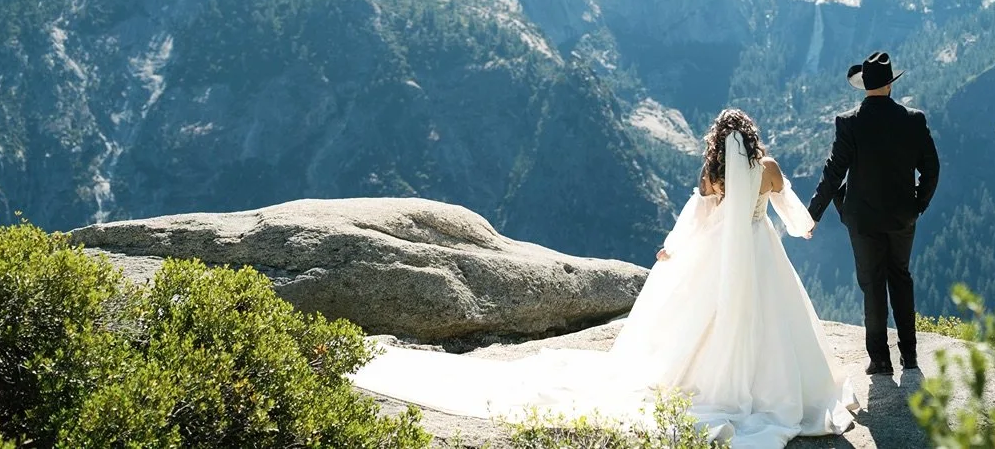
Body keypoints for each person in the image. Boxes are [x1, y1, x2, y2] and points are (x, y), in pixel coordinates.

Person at [351, 108, 854, 449]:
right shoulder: (767, 167)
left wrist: (672, 250)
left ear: (719, 144)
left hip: (719, 258)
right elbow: (792, 216)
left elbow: (696, 218)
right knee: (771, 324)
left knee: (704, 328)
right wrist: (806, 227)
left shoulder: (713, 175)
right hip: (760, 253)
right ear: (753, 138)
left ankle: (711, 384)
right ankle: (773, 391)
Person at [807, 51, 940, 375]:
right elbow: (931, 169)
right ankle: (909, 356)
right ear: (891, 85)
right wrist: (917, 205)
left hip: (862, 221)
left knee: (872, 284)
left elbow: (833, 173)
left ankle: (879, 360)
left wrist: (813, 214)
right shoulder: (913, 119)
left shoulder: (849, 123)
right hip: (901, 219)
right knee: (901, 278)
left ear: (864, 86)